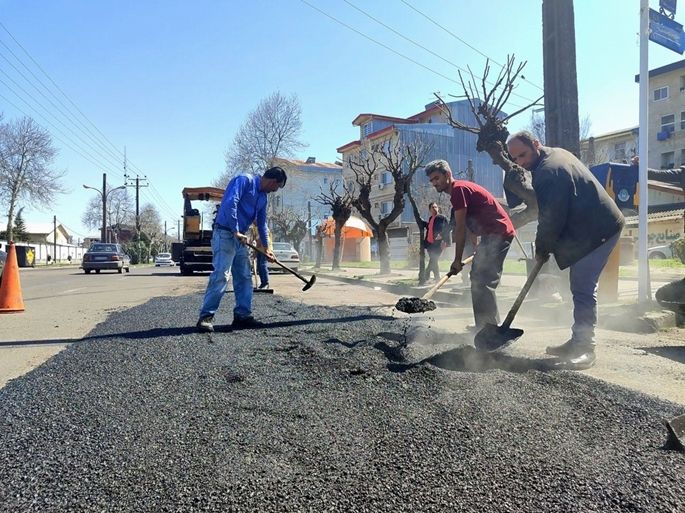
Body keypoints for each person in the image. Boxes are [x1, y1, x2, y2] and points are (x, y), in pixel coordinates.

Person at [507, 131, 625, 368]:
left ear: (536, 144)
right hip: (588, 226)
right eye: (515, 158)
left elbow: (551, 218)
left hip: (599, 230)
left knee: (582, 287)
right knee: (574, 285)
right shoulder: (552, 155)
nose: (520, 162)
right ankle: (576, 340)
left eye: (523, 155)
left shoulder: (549, 171)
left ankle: (586, 348)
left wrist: (541, 248)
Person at [425, 159, 515, 332]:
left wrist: (457, 260)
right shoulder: (459, 192)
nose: (434, 183)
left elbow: (459, 229)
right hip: (490, 235)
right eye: (432, 180)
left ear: (447, 175)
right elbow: (469, 225)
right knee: (476, 278)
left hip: (499, 233)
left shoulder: (459, 190)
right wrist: (476, 249)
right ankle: (484, 325)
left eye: (436, 178)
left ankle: (490, 328)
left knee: (483, 280)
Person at [196, 166, 287, 332]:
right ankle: (206, 317)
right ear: (273, 181)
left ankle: (242, 316)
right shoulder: (244, 180)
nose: (275, 191)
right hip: (225, 233)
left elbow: (261, 223)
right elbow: (231, 202)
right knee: (222, 275)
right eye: (277, 187)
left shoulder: (263, 197)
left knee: (245, 277)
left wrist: (267, 248)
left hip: (240, 238)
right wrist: (235, 229)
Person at [420, 202, 450, 282]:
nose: (435, 208)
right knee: (434, 260)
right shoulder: (431, 218)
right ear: (430, 209)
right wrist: (423, 223)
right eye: (433, 207)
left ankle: (426, 275)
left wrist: (443, 237)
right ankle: (437, 278)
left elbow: (447, 228)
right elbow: (430, 227)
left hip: (438, 243)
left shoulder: (441, 217)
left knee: (433, 259)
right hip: (430, 243)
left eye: (436, 207)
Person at [248, 222, 272, 289]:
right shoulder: (254, 228)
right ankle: (262, 283)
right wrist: (254, 251)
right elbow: (251, 240)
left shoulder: (262, 225)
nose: (253, 222)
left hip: (265, 249)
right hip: (258, 249)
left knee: (262, 264)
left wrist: (258, 244)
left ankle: (266, 283)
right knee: (259, 265)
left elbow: (263, 237)